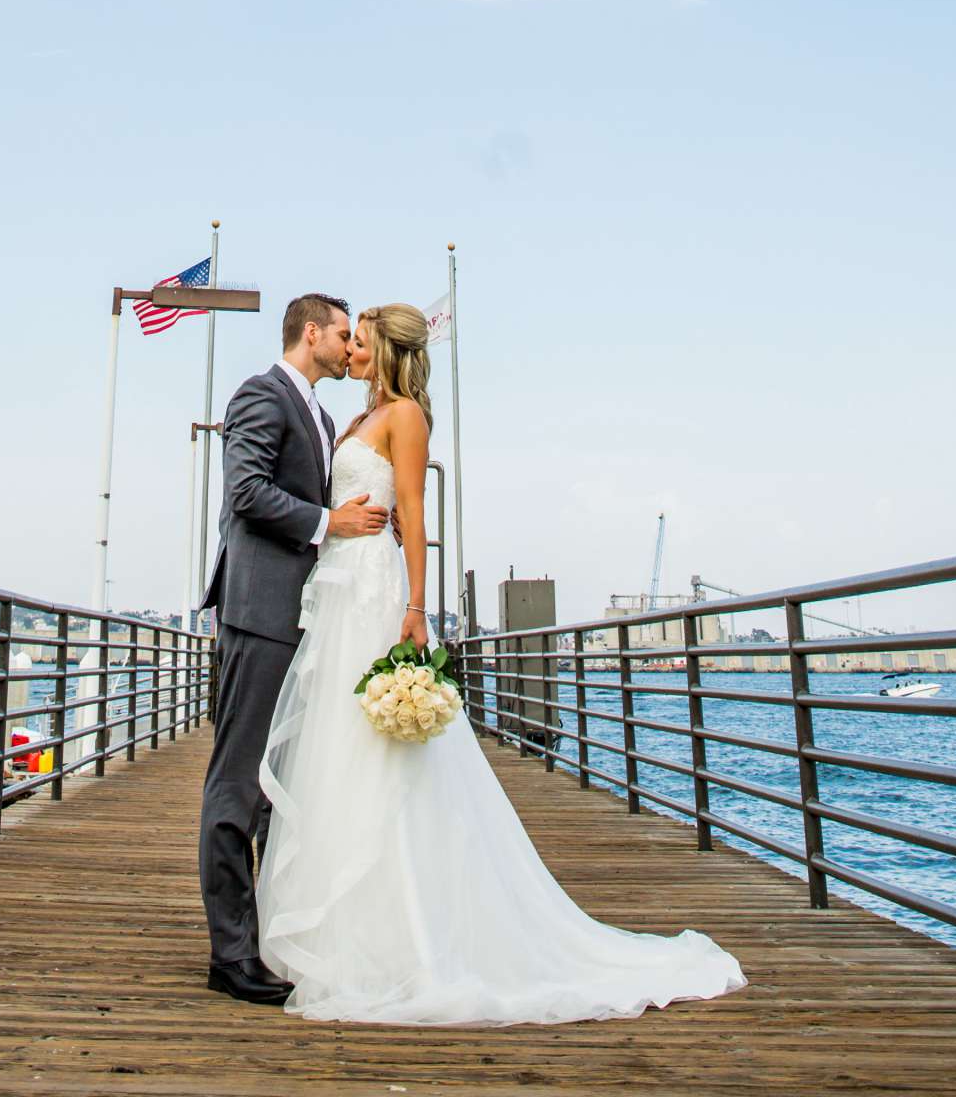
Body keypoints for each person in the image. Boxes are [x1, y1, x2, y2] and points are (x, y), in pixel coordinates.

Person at [256, 303, 746, 1025]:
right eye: (348, 340)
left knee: (386, 756)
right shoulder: (353, 421)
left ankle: (409, 933)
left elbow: (415, 517)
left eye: (360, 342)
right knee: (337, 746)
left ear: (385, 351)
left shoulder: (406, 419)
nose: (351, 351)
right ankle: (341, 926)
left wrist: (416, 610)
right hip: (336, 588)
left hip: (376, 591)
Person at [198, 293, 391, 1005]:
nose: (350, 346)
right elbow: (246, 493)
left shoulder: (325, 414)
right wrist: (328, 522)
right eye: (343, 335)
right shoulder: (260, 395)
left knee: (283, 786)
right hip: (257, 613)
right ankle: (230, 956)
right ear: (312, 333)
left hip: (306, 618)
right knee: (236, 784)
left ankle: (270, 939)